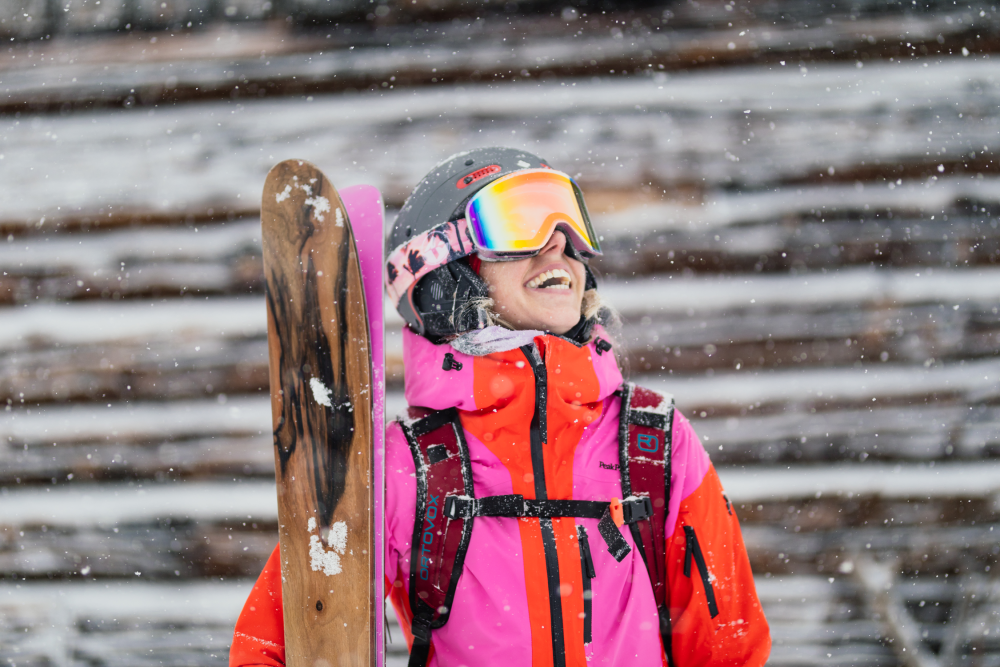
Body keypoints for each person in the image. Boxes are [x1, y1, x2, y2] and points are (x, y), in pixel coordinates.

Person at [230, 147, 770, 667]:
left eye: (568, 224)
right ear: (446, 272)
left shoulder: (651, 444)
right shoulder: (402, 470)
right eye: (520, 222)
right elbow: (275, 644)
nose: (557, 244)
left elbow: (730, 651)